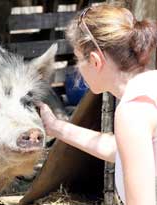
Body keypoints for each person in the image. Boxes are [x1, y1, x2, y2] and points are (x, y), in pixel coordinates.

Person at [37, 4, 157, 205]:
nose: (77, 68)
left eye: (77, 59)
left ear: (95, 60)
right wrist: (55, 127)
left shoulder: (131, 112)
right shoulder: (151, 85)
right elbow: (121, 150)